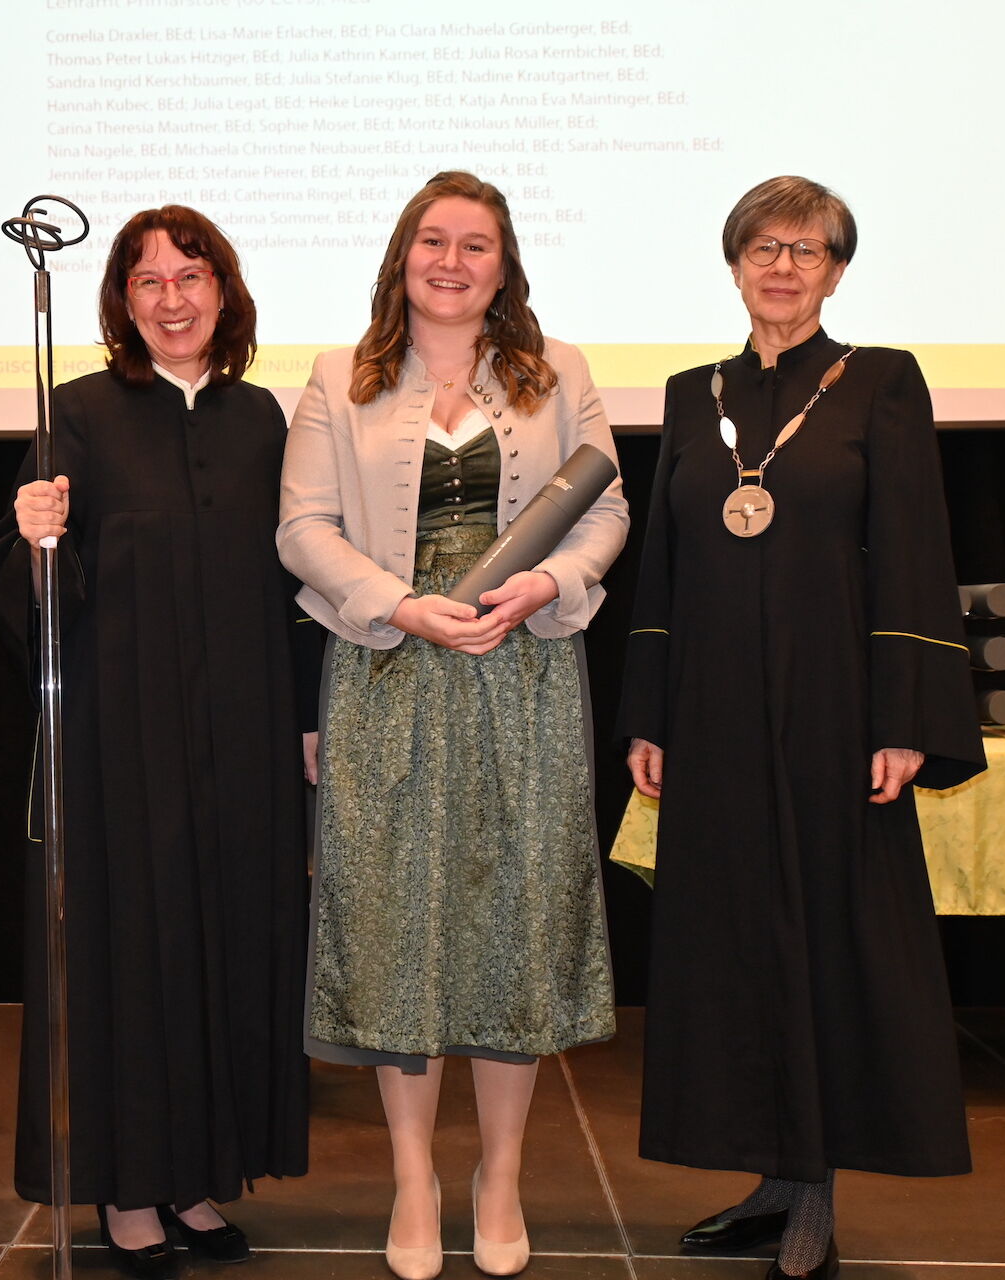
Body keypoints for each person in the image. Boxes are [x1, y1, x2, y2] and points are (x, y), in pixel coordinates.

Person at [616, 176, 987, 1280]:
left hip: (836, 711)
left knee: (829, 940)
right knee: (732, 942)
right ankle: (772, 1176)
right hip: (713, 715)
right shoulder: (694, 394)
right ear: (734, 264)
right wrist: (650, 713)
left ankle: (815, 1187)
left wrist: (904, 719)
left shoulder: (880, 382)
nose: (783, 267)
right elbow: (664, 567)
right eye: (764, 248)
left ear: (836, 270)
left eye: (807, 250)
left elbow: (914, 550)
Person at [278, 170, 628, 1280]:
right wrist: (400, 604)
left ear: (503, 265)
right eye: (433, 240)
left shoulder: (558, 370)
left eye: (476, 245)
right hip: (390, 667)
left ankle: (502, 1175)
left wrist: (547, 583)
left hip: (523, 668)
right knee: (398, 926)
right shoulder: (338, 375)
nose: (452, 261)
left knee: (514, 916)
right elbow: (303, 527)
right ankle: (414, 1178)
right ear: (402, 255)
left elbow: (607, 509)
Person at [0, 206, 315, 1280]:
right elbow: (23, 593)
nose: (171, 299)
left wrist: (308, 721)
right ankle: (127, 1189)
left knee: (227, 942)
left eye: (190, 276)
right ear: (122, 302)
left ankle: (198, 1175)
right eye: (148, 282)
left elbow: (299, 580)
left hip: (246, 733)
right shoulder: (77, 413)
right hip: (121, 741)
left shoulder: (264, 418)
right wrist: (35, 536)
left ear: (225, 289)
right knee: (133, 953)